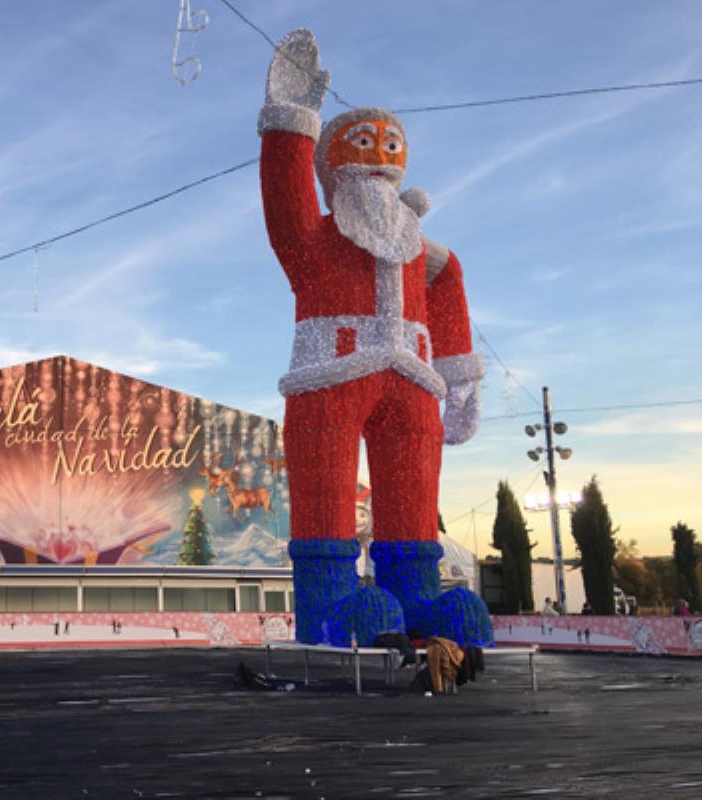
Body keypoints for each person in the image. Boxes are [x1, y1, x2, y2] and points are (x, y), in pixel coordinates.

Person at [257, 29, 489, 648]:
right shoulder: (313, 239)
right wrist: (291, 118)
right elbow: (284, 197)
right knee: (325, 485)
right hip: (329, 373)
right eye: (364, 144)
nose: (379, 157)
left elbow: (450, 283)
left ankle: (416, 598)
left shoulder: (423, 250)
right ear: (333, 164)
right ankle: (330, 602)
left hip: (413, 378)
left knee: (413, 492)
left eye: (391, 146)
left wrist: (461, 376)